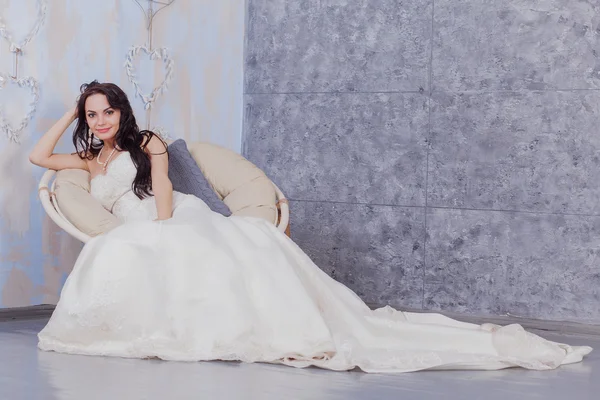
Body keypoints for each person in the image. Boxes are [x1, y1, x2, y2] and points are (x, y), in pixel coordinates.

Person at [29, 81, 592, 373]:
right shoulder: (86, 160)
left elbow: (166, 192)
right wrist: (71, 109)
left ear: (124, 114)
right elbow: (37, 157)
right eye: (93, 114)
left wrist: (163, 222)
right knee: (122, 253)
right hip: (130, 227)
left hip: (166, 216)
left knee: (184, 251)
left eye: (107, 111)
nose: (101, 121)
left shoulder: (146, 142)